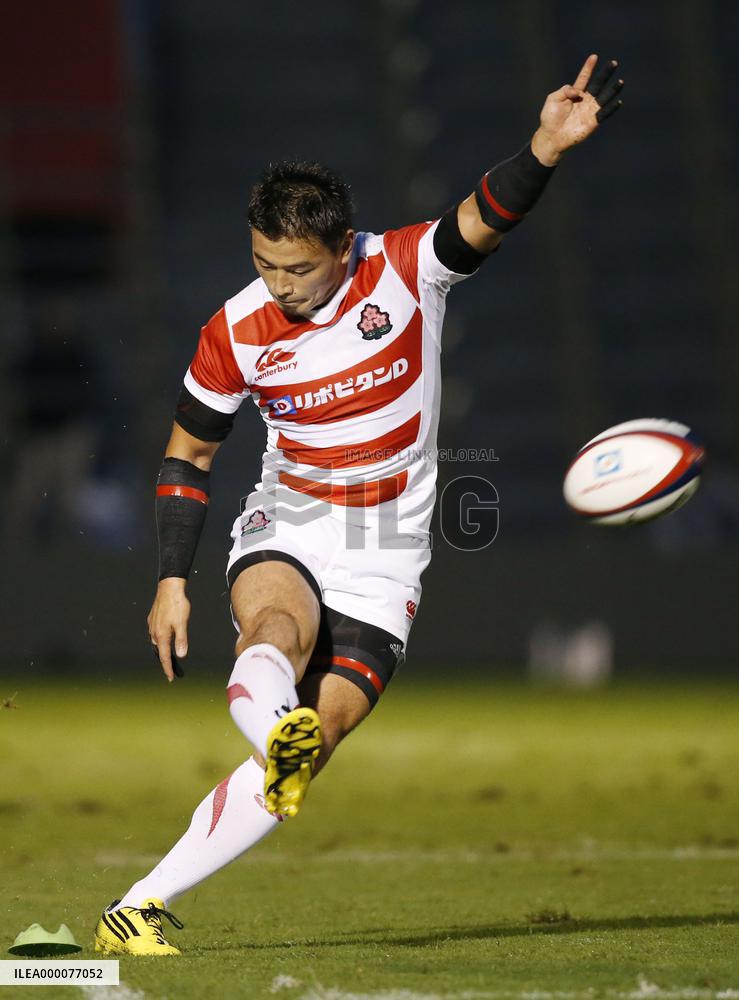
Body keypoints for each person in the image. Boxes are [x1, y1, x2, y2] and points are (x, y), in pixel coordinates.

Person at [94, 54, 623, 955]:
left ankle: (134, 909)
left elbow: (482, 217)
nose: (279, 286)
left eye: (297, 269)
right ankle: (274, 736)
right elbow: (188, 453)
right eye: (263, 264)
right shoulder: (232, 330)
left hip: (389, 546)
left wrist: (543, 148)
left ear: (344, 247)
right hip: (288, 516)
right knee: (275, 633)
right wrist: (170, 581)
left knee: (320, 733)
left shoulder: (405, 268)